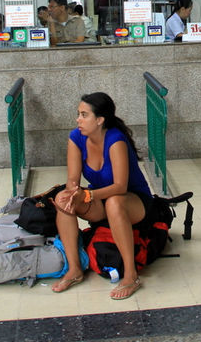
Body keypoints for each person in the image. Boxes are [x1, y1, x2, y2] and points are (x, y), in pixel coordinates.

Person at [52, 92, 152, 300]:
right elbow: (73, 179)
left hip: (133, 201)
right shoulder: (76, 137)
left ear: (99, 120)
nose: (78, 120)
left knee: (114, 203)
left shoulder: (116, 140)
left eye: (84, 115)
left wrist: (87, 195)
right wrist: (73, 193)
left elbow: (120, 186)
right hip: (99, 199)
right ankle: (74, 269)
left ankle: (131, 275)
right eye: (78, 114)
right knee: (63, 199)